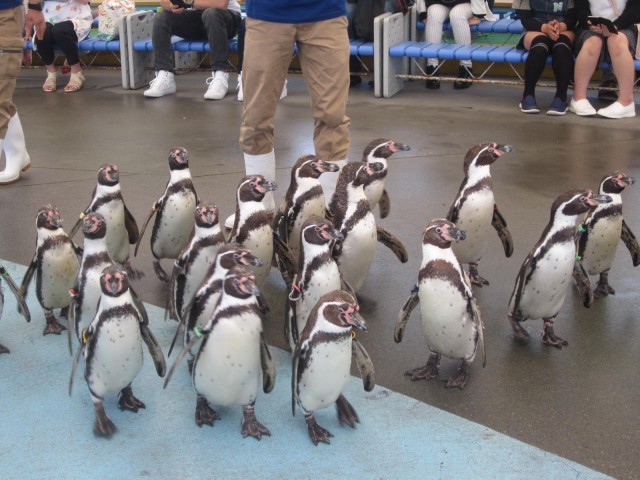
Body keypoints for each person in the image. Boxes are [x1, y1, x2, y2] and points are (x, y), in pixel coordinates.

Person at [232, 0, 351, 224]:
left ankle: (328, 209)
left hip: (326, 13)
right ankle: (259, 206)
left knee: (332, 116)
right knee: (256, 117)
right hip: (268, 13)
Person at [144, 0, 242, 100]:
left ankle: (221, 74)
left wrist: (188, 1)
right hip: (198, 18)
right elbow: (163, 2)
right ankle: (165, 75)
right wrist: (172, 5)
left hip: (227, 17)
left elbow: (221, 4)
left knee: (211, 13)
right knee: (161, 17)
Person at [569, 0, 639, 118]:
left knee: (616, 41)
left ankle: (626, 101)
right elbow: (580, 9)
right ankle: (578, 98)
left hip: (624, 26)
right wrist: (590, 24)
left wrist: (616, 26)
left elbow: (635, 9)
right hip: (590, 28)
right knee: (593, 43)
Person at [0, 0, 42, 184]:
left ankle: (17, 155)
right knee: (2, 97)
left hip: (4, 13)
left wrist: (35, 6)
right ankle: (17, 154)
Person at [514, 0, 577, 115]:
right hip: (535, 29)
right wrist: (544, 28)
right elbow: (525, 19)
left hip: (563, 29)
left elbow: (573, 17)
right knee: (540, 47)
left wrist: (560, 26)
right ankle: (528, 95)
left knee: (561, 47)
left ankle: (561, 98)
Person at [417, 0, 495, 89]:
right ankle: (432, 68)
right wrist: (422, 13)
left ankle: (466, 68)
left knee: (457, 15)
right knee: (433, 14)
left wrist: (478, 16)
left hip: (467, 3)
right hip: (439, 3)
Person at [34, 0, 93, 93]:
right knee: (42, 31)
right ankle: (51, 72)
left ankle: (76, 72)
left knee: (59, 30)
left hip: (76, 18)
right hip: (49, 16)